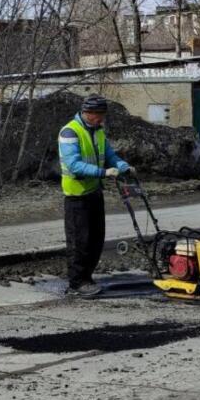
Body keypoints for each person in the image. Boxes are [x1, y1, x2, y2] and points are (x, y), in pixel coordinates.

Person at [57, 95, 134, 297]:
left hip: (94, 193)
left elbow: (109, 156)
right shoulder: (70, 132)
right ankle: (77, 283)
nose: (101, 120)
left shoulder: (98, 131)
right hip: (76, 196)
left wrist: (123, 167)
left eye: (102, 116)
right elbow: (73, 165)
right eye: (98, 116)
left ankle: (87, 278)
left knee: (95, 240)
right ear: (87, 113)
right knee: (79, 242)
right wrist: (104, 173)